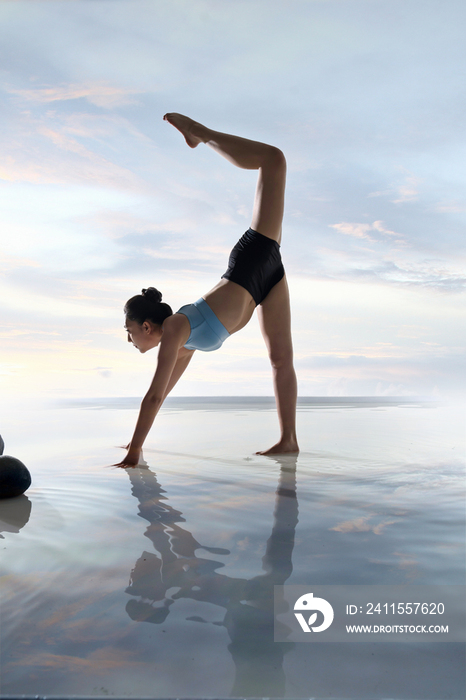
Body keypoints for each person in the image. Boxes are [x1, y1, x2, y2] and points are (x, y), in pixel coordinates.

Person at [115, 113, 298, 468]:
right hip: (265, 283)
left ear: (147, 326)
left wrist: (135, 452)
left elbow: (152, 396)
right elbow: (162, 395)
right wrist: (134, 441)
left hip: (250, 263)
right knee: (280, 359)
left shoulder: (175, 329)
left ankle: (200, 134)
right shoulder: (183, 345)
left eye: (129, 332)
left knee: (273, 160)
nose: (130, 340)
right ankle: (288, 439)